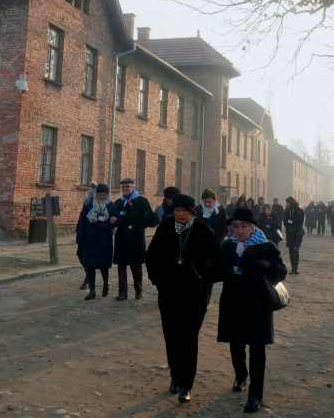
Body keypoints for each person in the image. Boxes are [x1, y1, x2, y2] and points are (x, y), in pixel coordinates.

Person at [145, 193, 219, 403]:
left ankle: (186, 384)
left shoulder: (203, 230)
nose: (181, 214)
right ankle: (175, 376)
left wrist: (204, 280)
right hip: (169, 293)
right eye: (177, 210)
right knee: (172, 336)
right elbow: (151, 256)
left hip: (194, 294)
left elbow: (216, 261)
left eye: (185, 211)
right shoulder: (165, 227)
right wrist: (157, 279)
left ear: (192, 212)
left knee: (188, 338)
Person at [218, 207, 287, 413]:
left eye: (244, 226)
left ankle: (255, 395)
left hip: (257, 304)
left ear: (252, 227)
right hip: (233, 302)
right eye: (236, 226)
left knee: (257, 349)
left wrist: (265, 265)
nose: (239, 230)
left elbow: (281, 271)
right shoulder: (228, 245)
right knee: (236, 344)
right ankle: (240, 375)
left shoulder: (266, 246)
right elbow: (217, 268)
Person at [112, 177, 157, 300]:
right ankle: (122, 293)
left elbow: (151, 219)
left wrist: (139, 225)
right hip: (121, 238)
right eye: (123, 187)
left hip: (136, 239)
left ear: (133, 187)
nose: (125, 189)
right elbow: (113, 218)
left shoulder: (141, 201)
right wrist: (113, 221)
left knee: (136, 266)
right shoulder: (119, 202)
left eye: (128, 186)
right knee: (121, 266)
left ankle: (138, 290)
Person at [76, 183, 117, 300]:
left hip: (104, 241)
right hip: (90, 240)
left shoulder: (111, 206)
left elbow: (117, 219)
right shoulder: (89, 205)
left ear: (107, 194)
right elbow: (83, 221)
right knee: (90, 267)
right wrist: (80, 238)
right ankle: (92, 291)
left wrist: (113, 221)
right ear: (96, 194)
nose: (101, 196)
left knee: (104, 267)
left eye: (104, 194)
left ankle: (105, 284)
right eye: (99, 194)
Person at [282, 198, 305, 274]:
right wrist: (288, 227)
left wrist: (294, 228)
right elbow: (285, 220)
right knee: (291, 251)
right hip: (289, 233)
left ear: (291, 203)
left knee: (295, 250)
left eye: (287, 203)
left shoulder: (300, 211)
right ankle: (293, 268)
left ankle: (295, 268)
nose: (287, 204)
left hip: (297, 234)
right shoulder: (287, 211)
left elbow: (300, 223)